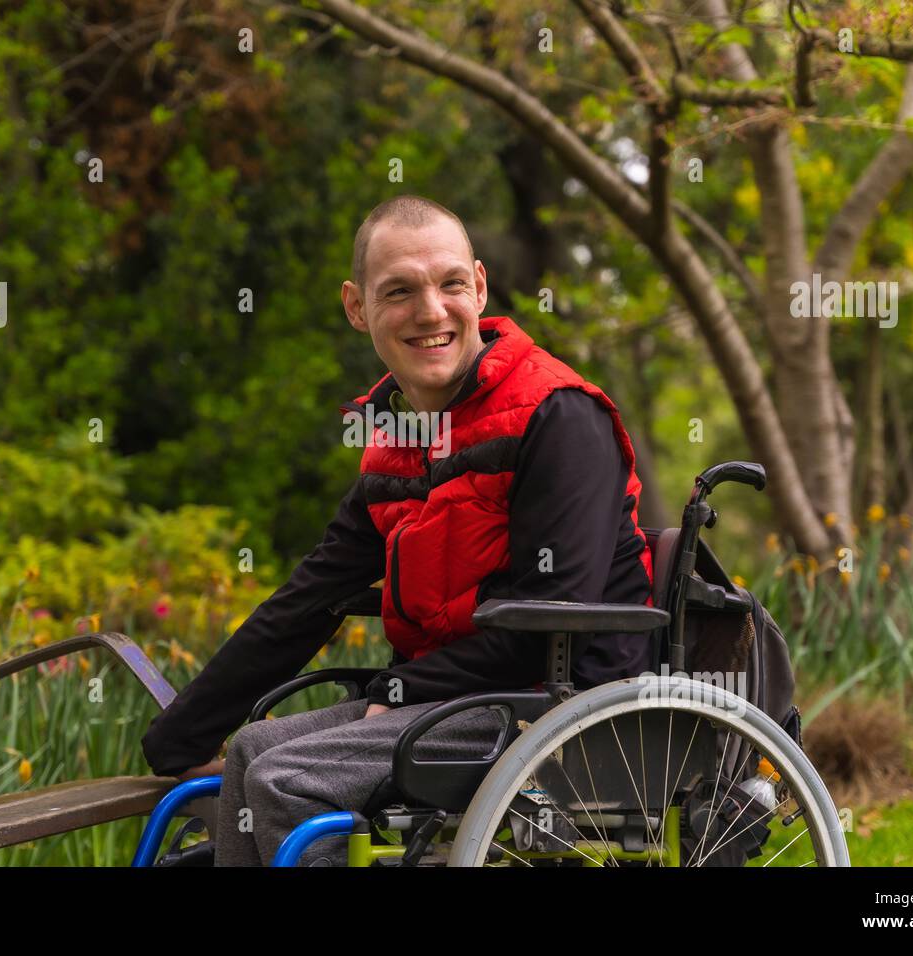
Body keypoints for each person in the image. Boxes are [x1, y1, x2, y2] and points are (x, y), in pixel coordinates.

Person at [140, 194, 654, 866]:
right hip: (461, 699)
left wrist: (402, 689)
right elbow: (307, 602)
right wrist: (175, 739)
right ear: (357, 308)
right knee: (249, 753)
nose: (431, 311)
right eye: (400, 291)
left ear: (480, 285)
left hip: (563, 709)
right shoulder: (401, 444)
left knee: (285, 782)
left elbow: (552, 623)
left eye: (450, 284)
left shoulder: (558, 417)